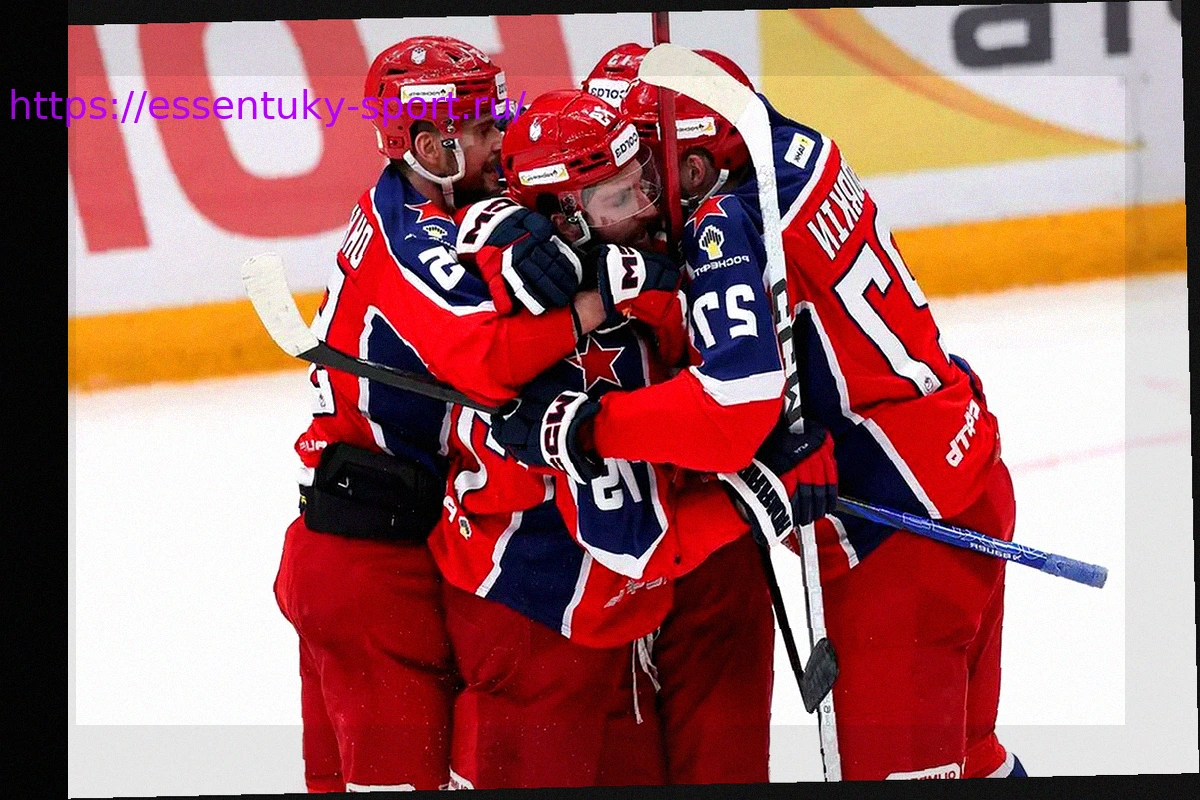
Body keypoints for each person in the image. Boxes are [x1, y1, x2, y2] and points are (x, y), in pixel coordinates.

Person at [505, 44, 1027, 781]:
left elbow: (737, 401)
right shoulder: (793, 148)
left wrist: (588, 426)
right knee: (977, 761)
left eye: (647, 165)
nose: (641, 188)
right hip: (967, 463)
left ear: (694, 169)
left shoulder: (720, 222)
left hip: (893, 536)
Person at [428, 88, 825, 789]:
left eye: (642, 180)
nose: (647, 208)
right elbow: (636, 546)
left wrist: (649, 298)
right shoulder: (555, 350)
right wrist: (761, 497)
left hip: (598, 618)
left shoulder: (595, 258)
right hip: (540, 622)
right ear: (565, 217)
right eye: (619, 199)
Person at [271, 36, 610, 792]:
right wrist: (594, 304)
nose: (501, 141)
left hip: (352, 549)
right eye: (484, 129)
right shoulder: (410, 238)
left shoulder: (422, 200)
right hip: (372, 570)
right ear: (429, 147)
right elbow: (485, 362)